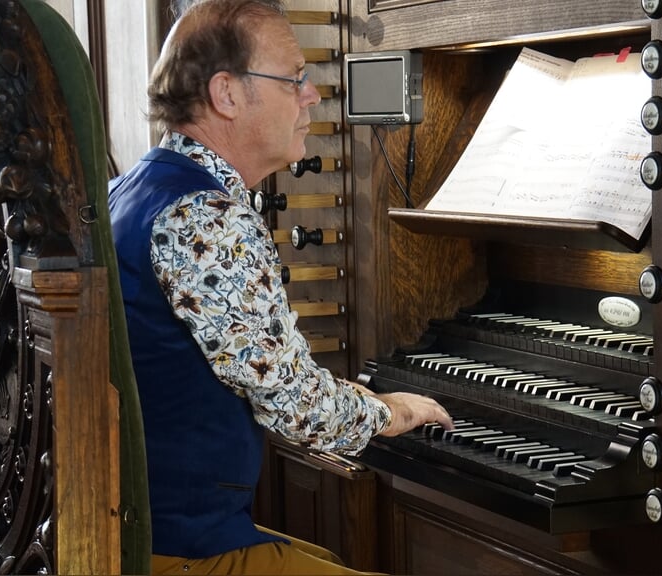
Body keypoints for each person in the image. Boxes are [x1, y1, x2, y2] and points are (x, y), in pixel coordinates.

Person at [107, 0, 454, 574]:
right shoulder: (205, 218)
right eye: (295, 78)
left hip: (149, 523)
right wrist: (389, 409)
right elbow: (294, 406)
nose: (313, 94)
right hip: (175, 548)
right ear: (227, 94)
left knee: (327, 556)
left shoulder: (135, 188)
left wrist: (353, 397)